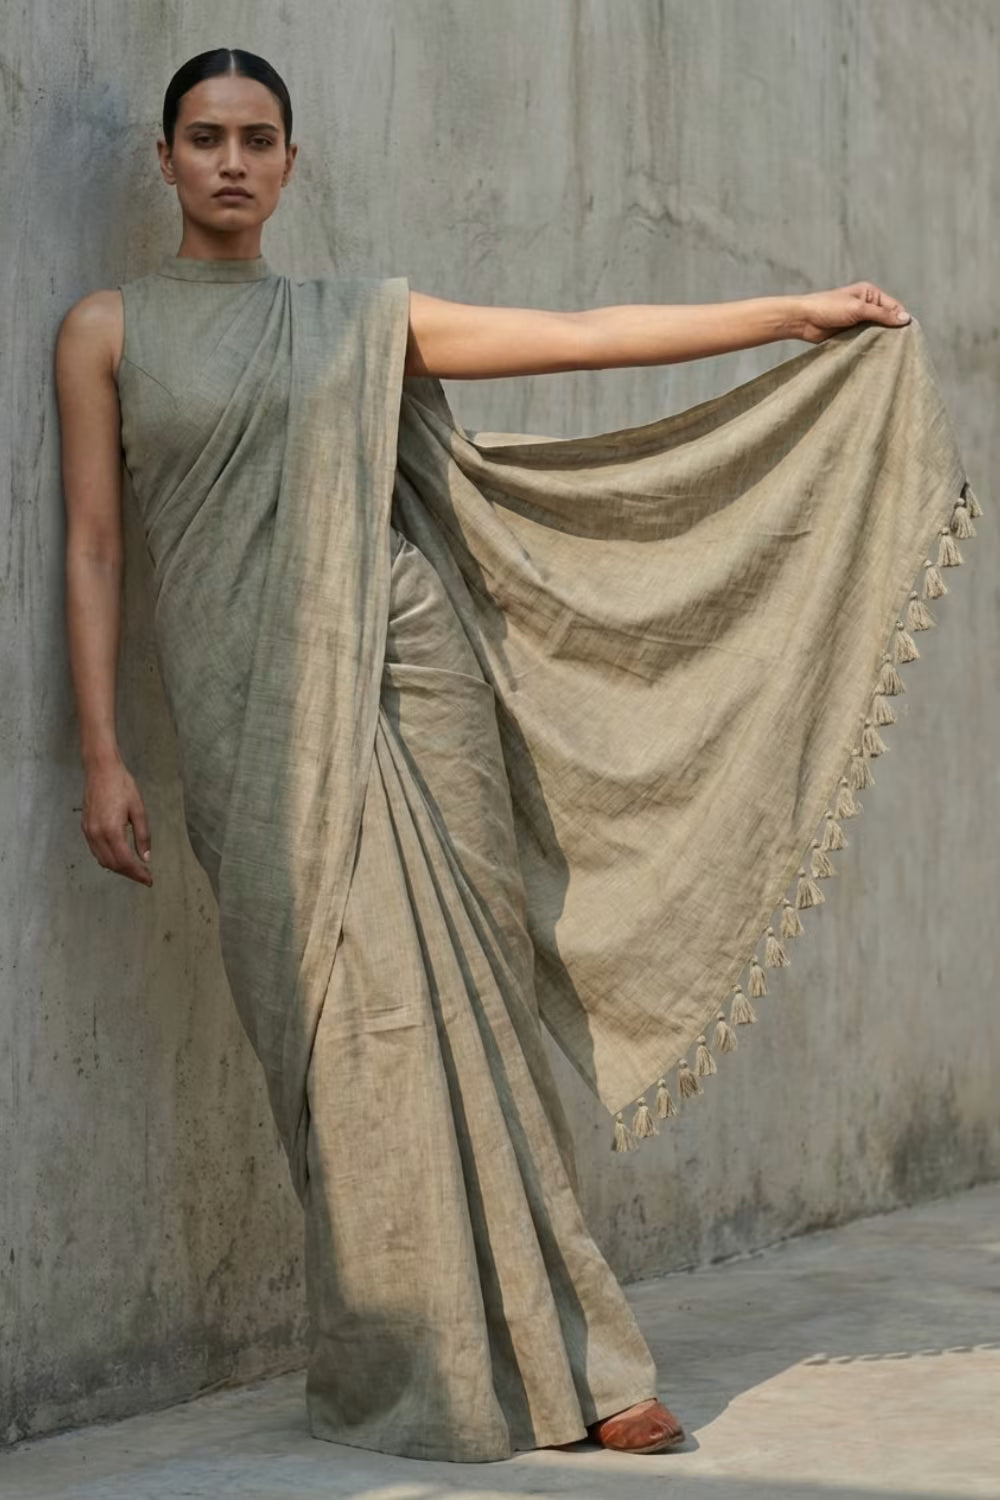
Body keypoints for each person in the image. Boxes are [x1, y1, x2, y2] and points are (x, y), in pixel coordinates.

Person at [54, 47, 917, 1464]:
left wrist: (792, 313)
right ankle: (419, 1363)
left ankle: (586, 1362)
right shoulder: (107, 330)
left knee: (470, 1005)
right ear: (163, 161)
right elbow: (94, 548)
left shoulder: (353, 323)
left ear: (289, 166)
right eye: (202, 137)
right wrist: (102, 751)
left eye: (256, 139)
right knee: (344, 1040)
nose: (228, 161)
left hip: (405, 663)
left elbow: (578, 333)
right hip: (246, 712)